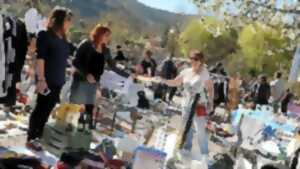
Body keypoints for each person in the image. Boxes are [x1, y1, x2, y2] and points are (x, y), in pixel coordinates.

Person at [152, 51, 213, 162]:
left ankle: (205, 154)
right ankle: (186, 148)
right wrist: (163, 80)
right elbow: (175, 82)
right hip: (186, 104)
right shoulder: (186, 72)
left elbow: (210, 88)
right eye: (192, 59)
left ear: (201, 61)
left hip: (199, 105)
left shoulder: (204, 73)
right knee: (186, 128)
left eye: (196, 59)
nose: (193, 61)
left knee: (200, 130)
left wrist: (211, 102)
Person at [26, 7, 73, 151]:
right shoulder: (45, 35)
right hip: (46, 79)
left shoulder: (65, 41)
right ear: (59, 20)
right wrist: (41, 79)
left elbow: (62, 60)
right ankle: (31, 138)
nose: (69, 23)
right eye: (67, 20)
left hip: (58, 81)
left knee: (47, 111)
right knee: (40, 109)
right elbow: (41, 59)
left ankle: (38, 137)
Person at [71, 25, 111, 129]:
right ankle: (71, 133)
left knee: (89, 111)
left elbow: (112, 66)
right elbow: (75, 62)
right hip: (80, 81)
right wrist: (86, 74)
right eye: (106, 35)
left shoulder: (105, 50)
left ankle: (84, 135)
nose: (108, 38)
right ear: (99, 34)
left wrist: (128, 75)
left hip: (92, 85)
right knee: (76, 109)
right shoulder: (86, 44)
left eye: (109, 36)